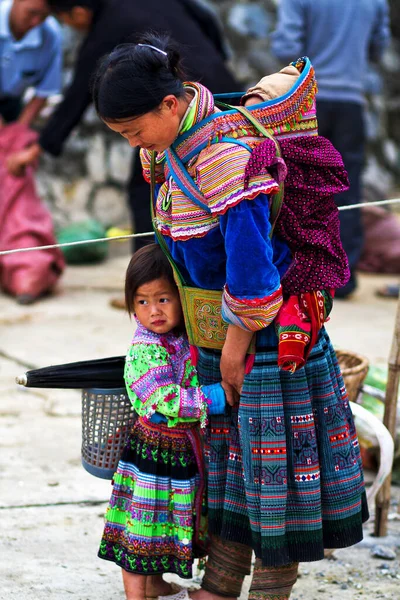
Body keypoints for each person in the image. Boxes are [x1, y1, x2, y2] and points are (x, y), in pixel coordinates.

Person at [92, 34, 369, 600]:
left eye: (133, 129)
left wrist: (235, 357)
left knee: (276, 485)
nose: (132, 143)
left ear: (170, 105)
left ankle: (270, 592)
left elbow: (254, 281)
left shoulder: (224, 162)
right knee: (233, 478)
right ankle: (218, 586)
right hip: (218, 340)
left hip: (265, 345)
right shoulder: (168, 149)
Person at [6, 0, 239, 251]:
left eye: (66, 21)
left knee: (146, 189)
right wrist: (216, 60)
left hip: (189, 100)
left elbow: (76, 96)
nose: (71, 27)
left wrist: (37, 149)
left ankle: (149, 274)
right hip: (226, 91)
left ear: (79, 11)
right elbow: (207, 19)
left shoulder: (105, 29)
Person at [98, 243, 226, 600]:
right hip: (151, 453)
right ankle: (137, 594)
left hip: (178, 450)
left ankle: (154, 582)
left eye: (163, 299)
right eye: (142, 301)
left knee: (163, 523)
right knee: (142, 526)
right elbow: (163, 398)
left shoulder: (180, 337)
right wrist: (213, 398)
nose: (153, 311)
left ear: (182, 298)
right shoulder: (145, 347)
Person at [270, 0, 391, 298]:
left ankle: (304, 276)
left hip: (308, 102)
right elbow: (379, 46)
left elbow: (287, 46)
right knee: (347, 190)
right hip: (352, 102)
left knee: (299, 188)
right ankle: (343, 278)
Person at [0, 0, 62, 127]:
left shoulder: (51, 35)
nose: (35, 22)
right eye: (31, 13)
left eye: (44, 16)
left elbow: (44, 90)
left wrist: (17, 132)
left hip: (12, 103)